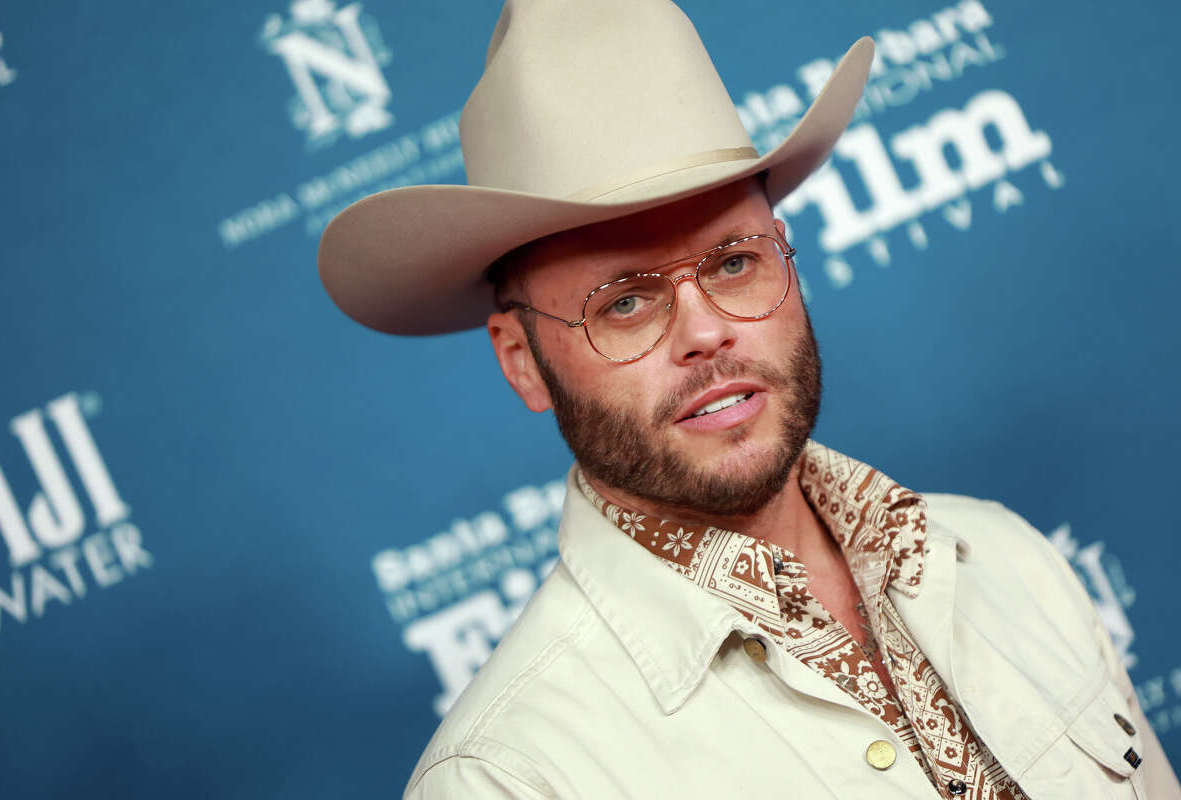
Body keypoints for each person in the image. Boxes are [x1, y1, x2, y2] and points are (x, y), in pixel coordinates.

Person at [317, 1, 1181, 797]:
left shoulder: (1003, 557)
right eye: (624, 301)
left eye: (734, 262)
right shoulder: (510, 779)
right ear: (523, 362)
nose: (706, 332)